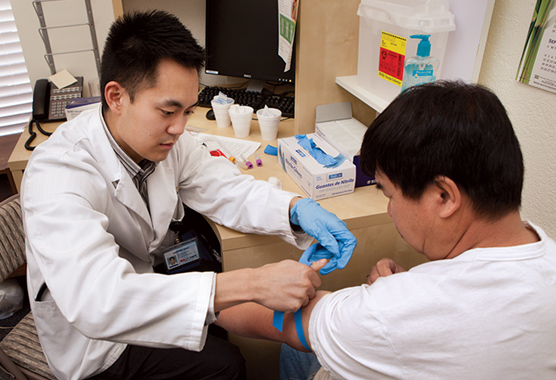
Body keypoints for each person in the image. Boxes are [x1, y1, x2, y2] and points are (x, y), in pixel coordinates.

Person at [21, 10, 356, 380]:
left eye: (188, 111)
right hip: (95, 342)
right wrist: (253, 283)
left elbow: (225, 188)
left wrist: (294, 208)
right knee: (225, 365)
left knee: (220, 318)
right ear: (116, 96)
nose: (180, 128)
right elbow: (99, 302)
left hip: (145, 279)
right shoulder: (58, 173)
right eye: (167, 111)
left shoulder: (167, 140)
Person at [216, 81, 556, 379]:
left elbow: (283, 324)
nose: (390, 210)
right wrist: (408, 289)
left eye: (389, 193)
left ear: (444, 196)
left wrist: (204, 297)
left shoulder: (390, 314)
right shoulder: (543, 252)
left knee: (297, 347)